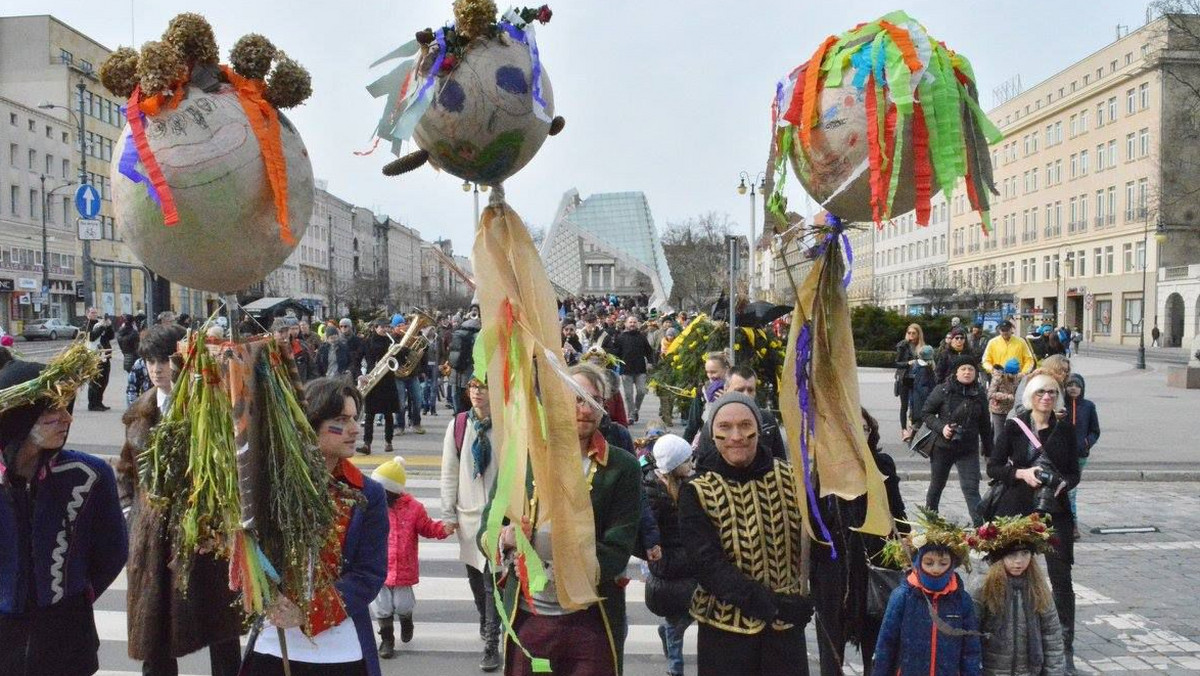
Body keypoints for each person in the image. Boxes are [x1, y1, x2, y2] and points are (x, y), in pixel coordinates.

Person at [500, 363, 642, 676]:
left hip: (590, 619)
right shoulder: (524, 454)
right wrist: (506, 539)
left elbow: (619, 547)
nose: (585, 409)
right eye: (576, 398)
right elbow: (491, 521)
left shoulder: (622, 467)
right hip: (529, 616)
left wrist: (569, 569)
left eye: (594, 400)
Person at [118, 324, 244, 676]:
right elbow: (126, 469)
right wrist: (131, 512)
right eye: (150, 360)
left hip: (202, 536)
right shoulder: (139, 411)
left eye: (165, 360)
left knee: (221, 629)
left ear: (184, 359)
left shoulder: (208, 407)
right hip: (154, 540)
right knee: (154, 633)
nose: (157, 368)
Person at [244, 378, 389, 676]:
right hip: (274, 641)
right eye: (341, 420)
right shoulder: (268, 486)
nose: (354, 429)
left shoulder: (368, 494)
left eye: (354, 419)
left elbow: (368, 574)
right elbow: (247, 553)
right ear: (311, 425)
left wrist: (308, 611)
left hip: (340, 647)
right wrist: (267, 595)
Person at [0, 358, 128, 675]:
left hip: (67, 633)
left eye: (67, 407)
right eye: (52, 411)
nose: (67, 418)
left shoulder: (89, 475)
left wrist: (76, 596)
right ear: (20, 416)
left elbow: (112, 551)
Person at [679, 393, 813, 676]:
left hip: (785, 631)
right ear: (712, 434)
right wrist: (771, 605)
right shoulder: (697, 490)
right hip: (726, 631)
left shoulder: (794, 478)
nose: (736, 436)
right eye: (725, 428)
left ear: (759, 428)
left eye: (745, 425)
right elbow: (707, 565)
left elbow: (820, 544)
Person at [988, 374, 1080, 675]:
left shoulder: (1065, 429)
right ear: (1030, 395)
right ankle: (999, 633)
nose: (1047, 397)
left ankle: (1064, 643)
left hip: (1054, 508)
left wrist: (1062, 484)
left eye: (1053, 392)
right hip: (1016, 505)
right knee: (1006, 569)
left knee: (1061, 575)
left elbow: (1073, 472)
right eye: (1041, 392)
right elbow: (993, 467)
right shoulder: (1015, 427)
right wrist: (1021, 474)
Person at [811, 409, 909, 676]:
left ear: (871, 431)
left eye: (864, 429)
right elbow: (814, 521)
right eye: (851, 429)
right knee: (831, 646)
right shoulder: (824, 470)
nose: (858, 435)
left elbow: (897, 512)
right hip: (834, 569)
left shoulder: (882, 464)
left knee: (877, 647)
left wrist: (906, 545)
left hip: (874, 566)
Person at [439, 376, 503, 671]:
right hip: (467, 516)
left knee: (492, 580)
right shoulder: (459, 425)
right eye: (473, 387)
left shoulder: (507, 424)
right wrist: (449, 514)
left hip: (499, 517)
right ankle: (484, 617)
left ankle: (492, 640)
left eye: (483, 387)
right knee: (476, 578)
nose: (477, 392)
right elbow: (449, 472)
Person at [871, 514, 981, 676]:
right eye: (928, 563)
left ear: (952, 564)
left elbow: (970, 649)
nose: (936, 569)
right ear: (918, 562)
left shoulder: (961, 600)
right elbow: (886, 644)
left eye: (943, 563)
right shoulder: (903, 596)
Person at [371, 457, 451, 659]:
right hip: (378, 566)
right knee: (382, 606)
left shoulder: (414, 508)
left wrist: (444, 528)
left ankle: (406, 619)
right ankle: (387, 638)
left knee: (403, 603)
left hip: (403, 567)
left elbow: (427, 527)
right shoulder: (371, 506)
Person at [970, 514, 1066, 676]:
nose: (1019, 561)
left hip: (1029, 670)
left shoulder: (1037, 586)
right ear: (999, 557)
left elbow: (1052, 635)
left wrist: (1054, 672)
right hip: (992, 670)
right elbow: (971, 633)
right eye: (1011, 555)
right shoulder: (983, 586)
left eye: (1025, 554)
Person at [643, 434, 698, 676]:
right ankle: (675, 668)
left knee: (684, 618)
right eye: (688, 461)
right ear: (676, 466)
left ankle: (666, 634)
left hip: (686, 565)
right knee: (678, 622)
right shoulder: (655, 493)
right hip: (668, 569)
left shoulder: (688, 486)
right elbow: (649, 531)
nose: (692, 465)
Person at [921, 356, 992, 526]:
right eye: (963, 369)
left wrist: (990, 451)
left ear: (975, 373)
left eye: (971, 369)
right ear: (956, 372)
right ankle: (931, 524)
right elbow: (926, 413)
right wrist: (942, 427)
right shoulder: (943, 389)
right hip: (942, 448)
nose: (967, 372)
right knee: (936, 487)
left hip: (968, 449)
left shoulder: (979, 393)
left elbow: (985, 424)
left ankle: (981, 529)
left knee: (971, 489)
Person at [694, 365, 787, 464]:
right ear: (726, 390)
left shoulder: (767, 419)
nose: (746, 395)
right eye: (739, 390)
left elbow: (780, 460)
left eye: (750, 390)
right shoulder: (712, 424)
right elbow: (704, 466)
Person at [1063, 374, 1099, 541]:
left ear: (1082, 388)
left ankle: (1072, 524)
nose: (1073, 388)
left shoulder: (1089, 406)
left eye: (1077, 385)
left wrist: (1086, 443)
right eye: (1070, 385)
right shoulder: (1061, 406)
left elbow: (1095, 431)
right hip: (1061, 455)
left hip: (1079, 455)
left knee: (1071, 491)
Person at [360, 320, 401, 455]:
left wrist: (400, 350)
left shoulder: (392, 342)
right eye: (382, 327)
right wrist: (360, 375)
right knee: (369, 414)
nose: (385, 330)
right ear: (375, 327)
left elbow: (401, 359)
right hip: (373, 378)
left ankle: (388, 442)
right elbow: (356, 359)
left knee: (388, 414)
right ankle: (367, 444)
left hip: (388, 380)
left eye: (387, 327)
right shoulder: (367, 342)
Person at [613, 315, 656, 424]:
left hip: (640, 369)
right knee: (628, 394)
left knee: (642, 391)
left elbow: (649, 351)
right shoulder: (621, 337)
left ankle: (636, 409)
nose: (632, 324)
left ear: (637, 324)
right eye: (630, 322)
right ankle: (631, 415)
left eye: (634, 322)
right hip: (626, 370)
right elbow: (616, 353)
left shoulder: (641, 337)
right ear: (626, 324)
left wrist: (650, 362)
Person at [683, 351, 731, 444]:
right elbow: (693, 424)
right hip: (707, 441)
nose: (710, 376)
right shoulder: (702, 391)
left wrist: (728, 400)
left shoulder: (737, 389)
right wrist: (684, 446)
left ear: (726, 370)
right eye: (708, 372)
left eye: (714, 372)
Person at [390, 315, 425, 436]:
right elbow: (392, 355)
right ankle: (399, 426)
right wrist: (404, 349)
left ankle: (416, 423)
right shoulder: (392, 339)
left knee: (418, 399)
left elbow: (421, 352)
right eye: (398, 326)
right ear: (394, 328)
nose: (401, 327)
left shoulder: (412, 337)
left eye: (402, 324)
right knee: (400, 402)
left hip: (412, 374)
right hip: (398, 374)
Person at [893, 324, 925, 436]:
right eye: (909, 332)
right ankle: (903, 429)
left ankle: (913, 426)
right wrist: (908, 363)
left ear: (918, 334)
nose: (911, 335)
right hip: (904, 378)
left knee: (916, 404)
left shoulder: (922, 347)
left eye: (913, 333)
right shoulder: (903, 345)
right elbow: (896, 363)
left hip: (917, 379)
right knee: (904, 405)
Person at [987, 359, 1022, 448]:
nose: (1014, 376)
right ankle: (996, 451)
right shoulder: (998, 378)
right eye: (1012, 374)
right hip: (998, 410)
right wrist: (1006, 396)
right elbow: (990, 394)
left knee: (1011, 432)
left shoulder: (1018, 378)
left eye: (1016, 374)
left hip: (1011, 410)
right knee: (999, 433)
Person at [85, 307, 115, 411]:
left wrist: (109, 325)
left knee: (104, 381)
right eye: (92, 313)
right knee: (95, 382)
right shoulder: (87, 325)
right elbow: (91, 337)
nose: (94, 315)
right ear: (87, 314)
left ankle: (99, 402)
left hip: (105, 356)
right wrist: (102, 327)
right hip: (94, 357)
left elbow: (111, 336)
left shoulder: (99, 324)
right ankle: (92, 404)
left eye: (95, 313)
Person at [905, 345, 937, 441]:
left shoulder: (915, 365)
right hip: (922, 398)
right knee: (921, 419)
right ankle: (915, 437)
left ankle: (913, 435)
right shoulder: (925, 369)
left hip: (914, 396)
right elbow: (924, 386)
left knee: (916, 417)